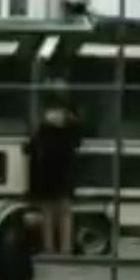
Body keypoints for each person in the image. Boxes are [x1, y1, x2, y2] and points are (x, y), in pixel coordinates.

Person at [25, 105, 81, 255]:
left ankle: (51, 248)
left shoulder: (44, 132)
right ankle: (63, 249)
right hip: (61, 179)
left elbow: (29, 149)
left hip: (49, 178)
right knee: (62, 215)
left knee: (51, 216)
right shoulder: (68, 132)